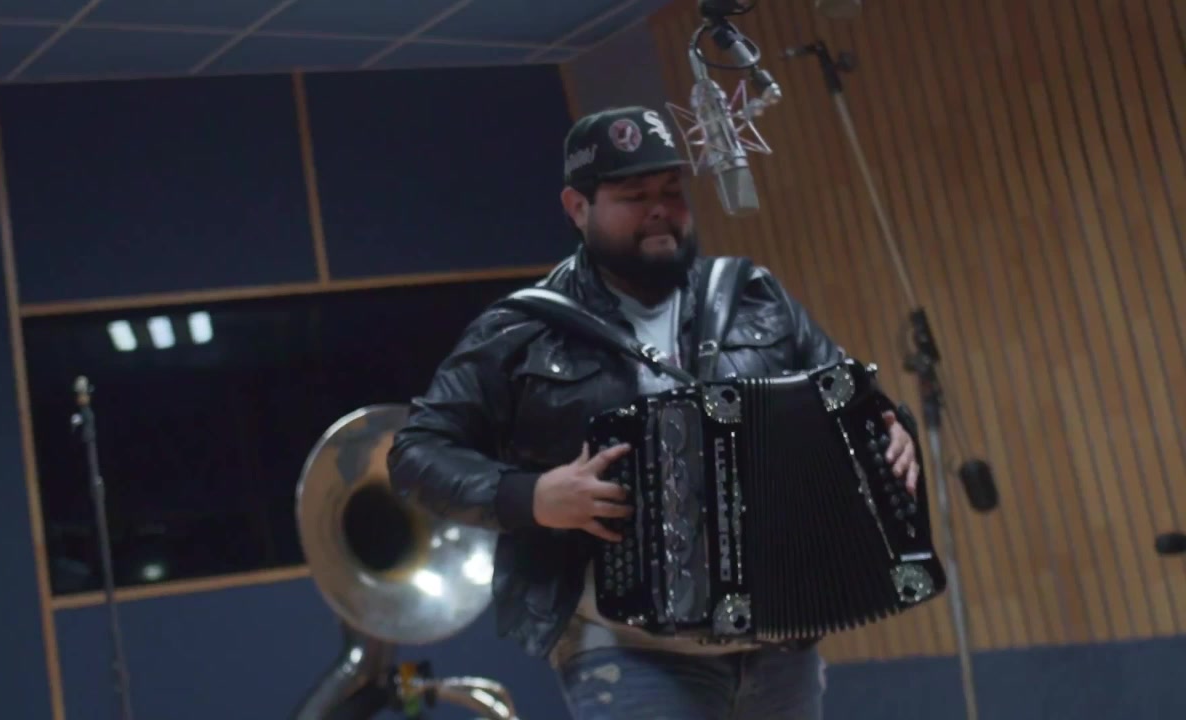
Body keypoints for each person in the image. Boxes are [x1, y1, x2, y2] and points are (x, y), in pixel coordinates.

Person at [387, 106, 921, 719]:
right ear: (578, 208)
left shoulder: (754, 298)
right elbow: (416, 454)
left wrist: (892, 433)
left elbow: (852, 405)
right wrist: (531, 496)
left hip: (781, 641)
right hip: (629, 649)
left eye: (671, 191)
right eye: (634, 197)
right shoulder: (523, 330)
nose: (660, 209)